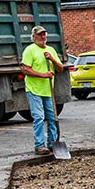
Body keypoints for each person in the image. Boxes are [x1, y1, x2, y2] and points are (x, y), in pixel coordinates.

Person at [20, 25, 64, 155]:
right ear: (34, 37)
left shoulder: (51, 50)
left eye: (44, 34)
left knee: (52, 117)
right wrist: (43, 75)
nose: (42, 37)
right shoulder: (30, 50)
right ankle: (39, 145)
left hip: (48, 91)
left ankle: (52, 143)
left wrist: (51, 59)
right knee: (39, 117)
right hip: (34, 90)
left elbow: (60, 69)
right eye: (39, 35)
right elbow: (25, 69)